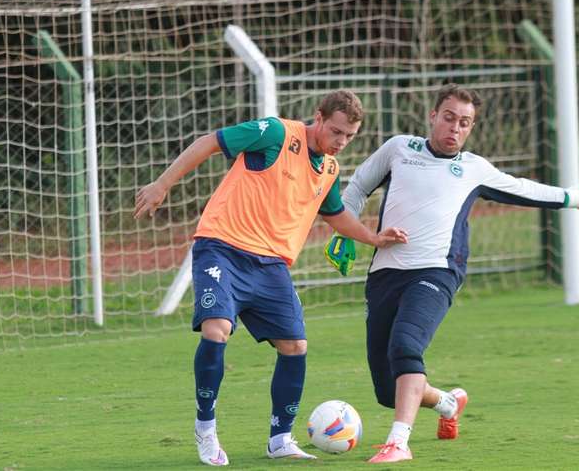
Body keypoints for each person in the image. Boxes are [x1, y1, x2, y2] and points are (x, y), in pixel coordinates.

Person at [324, 83, 579, 464]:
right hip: (385, 273)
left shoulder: (473, 169)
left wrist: (574, 197)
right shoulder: (398, 149)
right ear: (433, 116)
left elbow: (522, 189)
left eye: (465, 123)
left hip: (438, 272)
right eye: (450, 118)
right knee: (387, 390)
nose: (455, 128)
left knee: (406, 347)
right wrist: (349, 234)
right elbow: (355, 188)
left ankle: (398, 442)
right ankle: (447, 402)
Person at [134, 90, 408, 467]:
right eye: (336, 132)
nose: (341, 142)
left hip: (271, 266)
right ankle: (205, 427)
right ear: (319, 117)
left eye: (349, 136)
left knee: (295, 345)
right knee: (217, 330)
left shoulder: (328, 169)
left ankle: (280, 438)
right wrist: (162, 184)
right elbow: (209, 142)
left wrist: (373, 237)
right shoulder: (275, 133)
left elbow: (335, 214)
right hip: (222, 248)